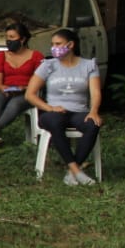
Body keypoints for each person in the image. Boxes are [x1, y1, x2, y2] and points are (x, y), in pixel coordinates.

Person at [25, 27, 103, 186]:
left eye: (58, 44)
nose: (55, 47)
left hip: (78, 111)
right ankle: (76, 171)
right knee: (55, 122)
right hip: (53, 111)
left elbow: (95, 92)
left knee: (92, 124)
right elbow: (30, 94)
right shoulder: (48, 65)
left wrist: (94, 111)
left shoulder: (89, 65)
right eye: (53, 44)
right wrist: (50, 108)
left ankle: (71, 172)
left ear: (71, 45)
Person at [0, 22, 42, 148]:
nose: (8, 41)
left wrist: (24, 88)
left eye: (12, 38)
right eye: (7, 38)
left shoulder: (36, 56)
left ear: (23, 39)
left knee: (15, 103)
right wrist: (3, 88)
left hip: (28, 93)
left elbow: (40, 81)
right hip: (6, 90)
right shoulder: (1, 56)